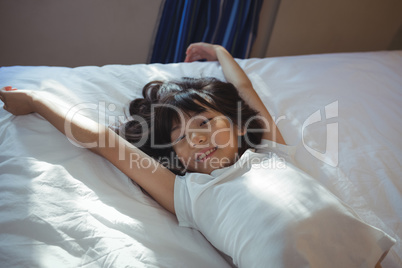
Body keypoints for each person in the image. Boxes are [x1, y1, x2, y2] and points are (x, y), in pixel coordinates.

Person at [0, 43, 393, 268]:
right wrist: (36, 100)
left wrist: (218, 51)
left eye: (205, 123)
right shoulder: (188, 194)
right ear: (176, 159)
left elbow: (243, 87)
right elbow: (105, 141)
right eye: (181, 138)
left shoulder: (272, 151)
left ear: (238, 126)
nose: (198, 139)